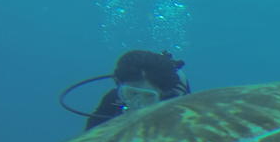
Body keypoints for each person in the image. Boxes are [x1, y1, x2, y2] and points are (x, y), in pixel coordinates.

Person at [59, 49, 191, 130]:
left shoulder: (176, 101)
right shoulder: (113, 99)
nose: (137, 103)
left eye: (148, 96)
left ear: (163, 93)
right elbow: (91, 136)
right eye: (131, 93)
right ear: (120, 88)